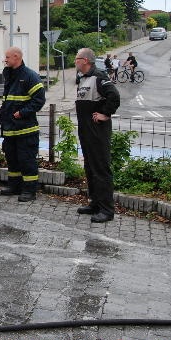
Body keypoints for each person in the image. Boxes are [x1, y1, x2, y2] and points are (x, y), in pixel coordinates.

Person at [74, 48, 121, 223]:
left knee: (101, 169)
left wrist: (105, 114)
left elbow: (114, 96)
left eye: (77, 58)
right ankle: (94, 203)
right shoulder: (83, 78)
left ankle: (107, 210)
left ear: (85, 60)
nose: (75, 61)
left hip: (97, 132)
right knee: (90, 168)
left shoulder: (99, 77)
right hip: (86, 132)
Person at [0, 46, 46, 202]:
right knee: (12, 160)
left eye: (7, 57)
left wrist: (22, 113)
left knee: (27, 161)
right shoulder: (10, 75)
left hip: (25, 129)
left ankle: (29, 190)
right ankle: (15, 186)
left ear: (16, 57)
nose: (5, 60)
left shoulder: (30, 76)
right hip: (11, 129)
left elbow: (39, 100)